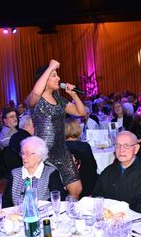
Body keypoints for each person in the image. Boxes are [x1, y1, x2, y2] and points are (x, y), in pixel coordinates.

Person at [27, 59, 86, 198]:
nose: (58, 78)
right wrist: (50, 67)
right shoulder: (35, 100)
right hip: (43, 154)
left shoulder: (59, 100)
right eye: (54, 75)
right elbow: (36, 92)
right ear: (44, 78)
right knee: (49, 193)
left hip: (61, 151)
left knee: (76, 189)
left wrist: (73, 95)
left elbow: (81, 112)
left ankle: (68, 213)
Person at [92, 131, 141, 203]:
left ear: (136, 149)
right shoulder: (108, 172)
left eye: (126, 146)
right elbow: (97, 197)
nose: (121, 150)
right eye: (118, 145)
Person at [2, 136, 66, 207]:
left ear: (40, 156)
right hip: (18, 216)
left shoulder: (51, 173)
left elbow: (58, 198)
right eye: (23, 153)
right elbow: (6, 201)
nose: (24, 157)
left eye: (28, 153)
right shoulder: (15, 174)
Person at [65, 117, 99, 198]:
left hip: (67, 190)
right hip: (86, 188)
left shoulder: (59, 147)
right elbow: (93, 167)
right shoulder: (85, 146)